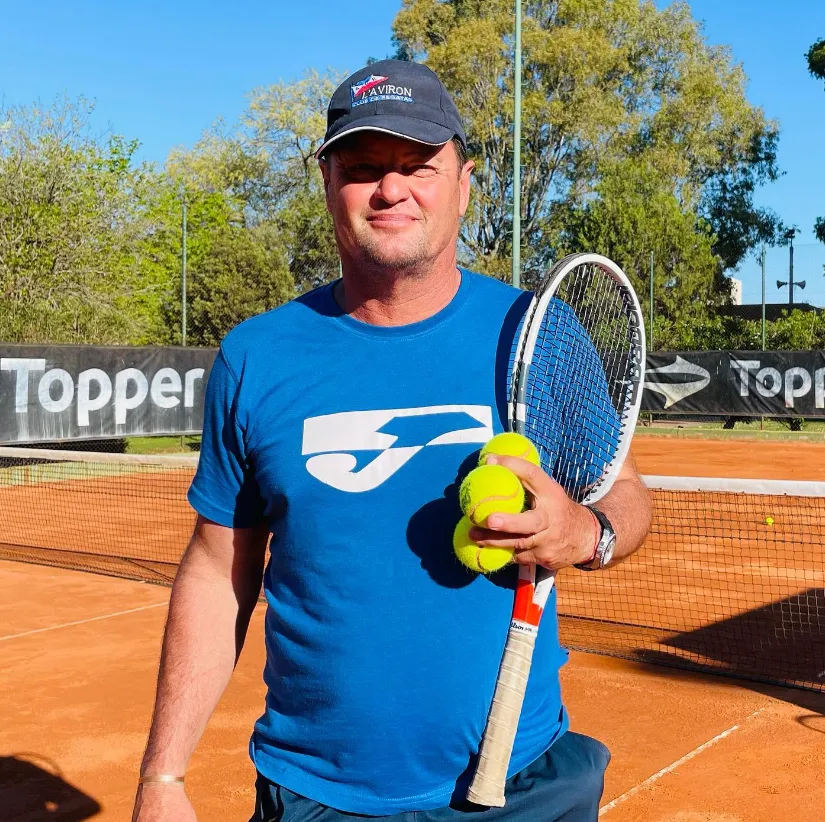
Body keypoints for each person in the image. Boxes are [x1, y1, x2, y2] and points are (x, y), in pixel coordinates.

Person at [132, 59, 652, 822]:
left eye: (418, 165)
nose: (392, 188)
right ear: (326, 182)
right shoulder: (257, 355)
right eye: (364, 167)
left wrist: (589, 533)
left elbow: (624, 494)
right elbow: (217, 571)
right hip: (318, 793)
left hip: (521, 782)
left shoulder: (534, 335)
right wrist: (163, 776)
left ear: (464, 182)